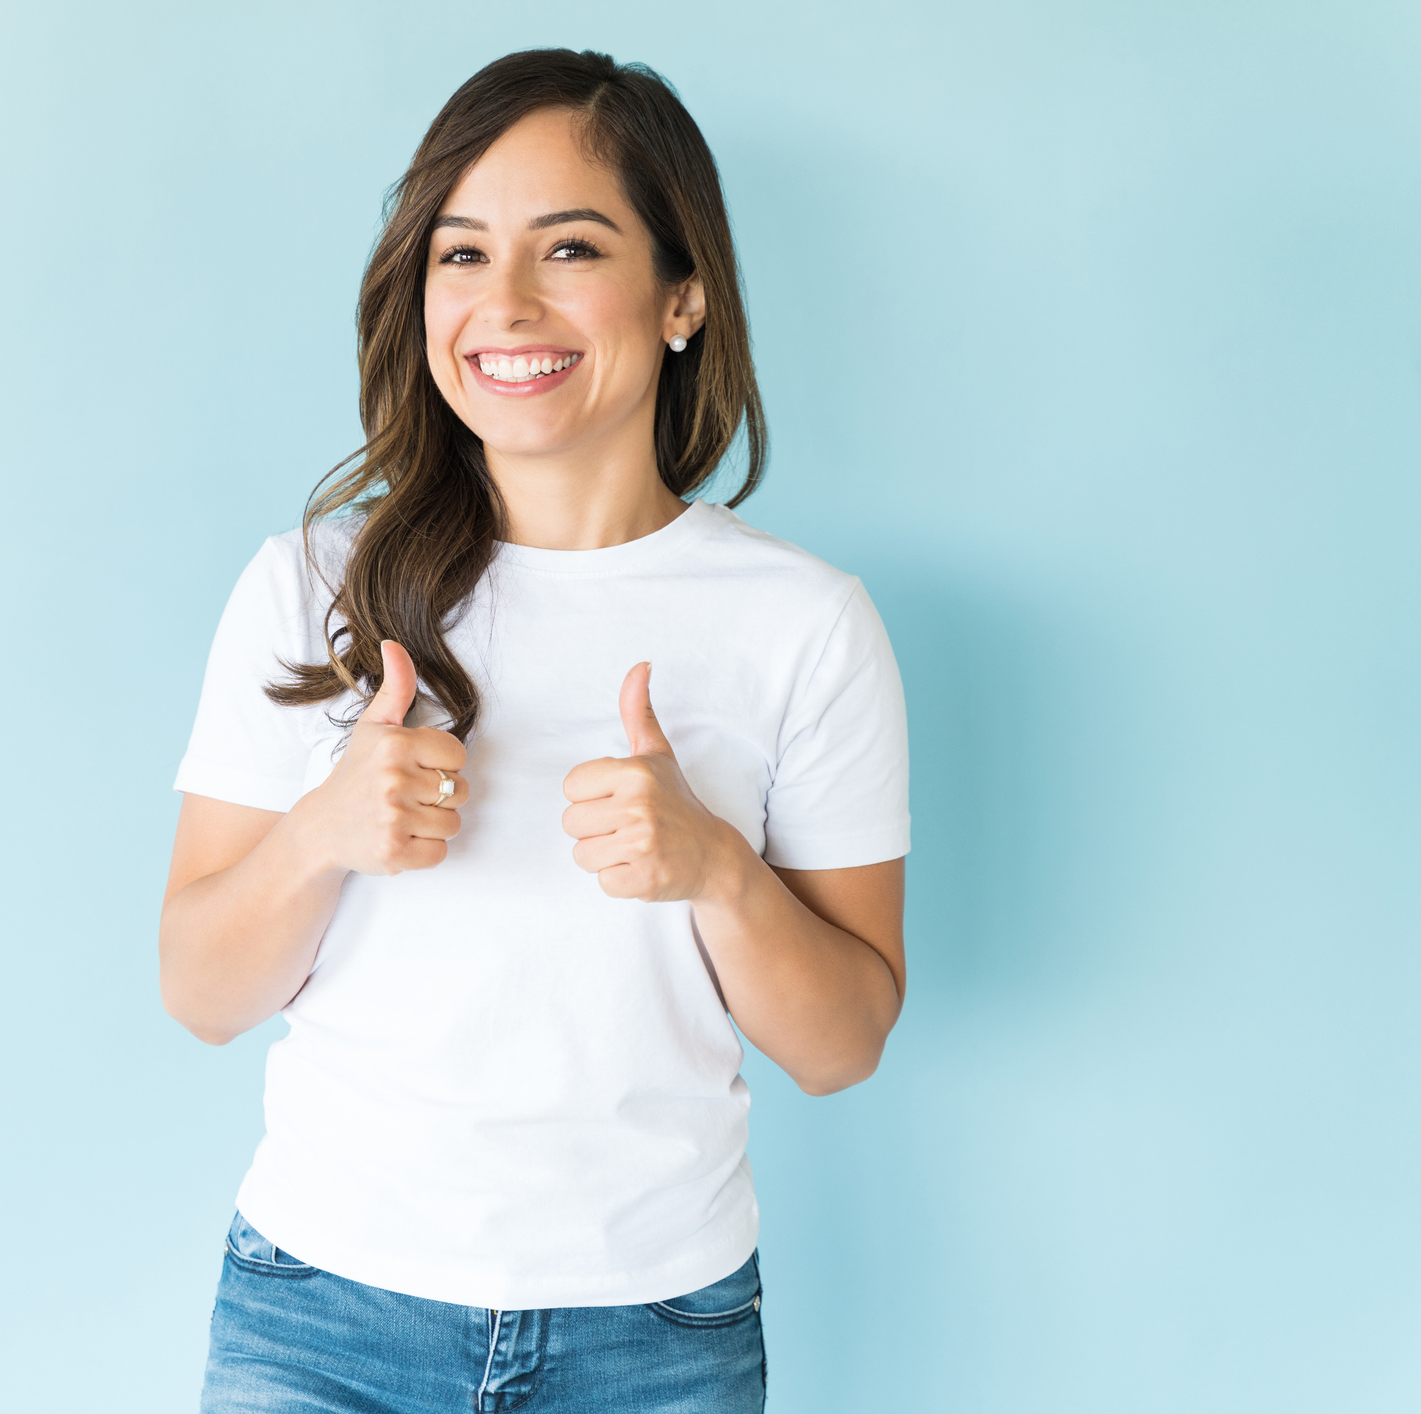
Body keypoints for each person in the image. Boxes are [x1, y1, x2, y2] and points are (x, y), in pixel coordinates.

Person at [160, 48, 909, 1414]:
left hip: (655, 1336)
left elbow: (844, 1038)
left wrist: (719, 872)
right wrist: (322, 832)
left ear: (682, 297)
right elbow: (201, 990)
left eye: (570, 246)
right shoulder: (309, 586)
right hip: (323, 1316)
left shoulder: (805, 622)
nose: (504, 304)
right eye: (461, 253)